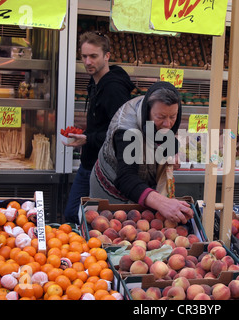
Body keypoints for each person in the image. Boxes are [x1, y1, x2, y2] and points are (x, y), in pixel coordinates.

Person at [90, 81, 194, 224]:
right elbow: (126, 178)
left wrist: (171, 152)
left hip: (140, 185)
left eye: (173, 116)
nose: (167, 124)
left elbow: (165, 136)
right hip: (112, 188)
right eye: (161, 117)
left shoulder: (160, 112)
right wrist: (162, 203)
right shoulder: (127, 131)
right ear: (147, 112)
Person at [63, 31, 135, 223]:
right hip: (89, 163)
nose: (87, 62)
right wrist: (84, 135)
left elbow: (123, 132)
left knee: (87, 219)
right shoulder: (95, 82)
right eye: (84, 56)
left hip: (103, 170)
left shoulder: (114, 89)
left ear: (107, 56)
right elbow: (104, 123)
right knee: (74, 215)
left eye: (93, 56)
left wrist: (89, 138)